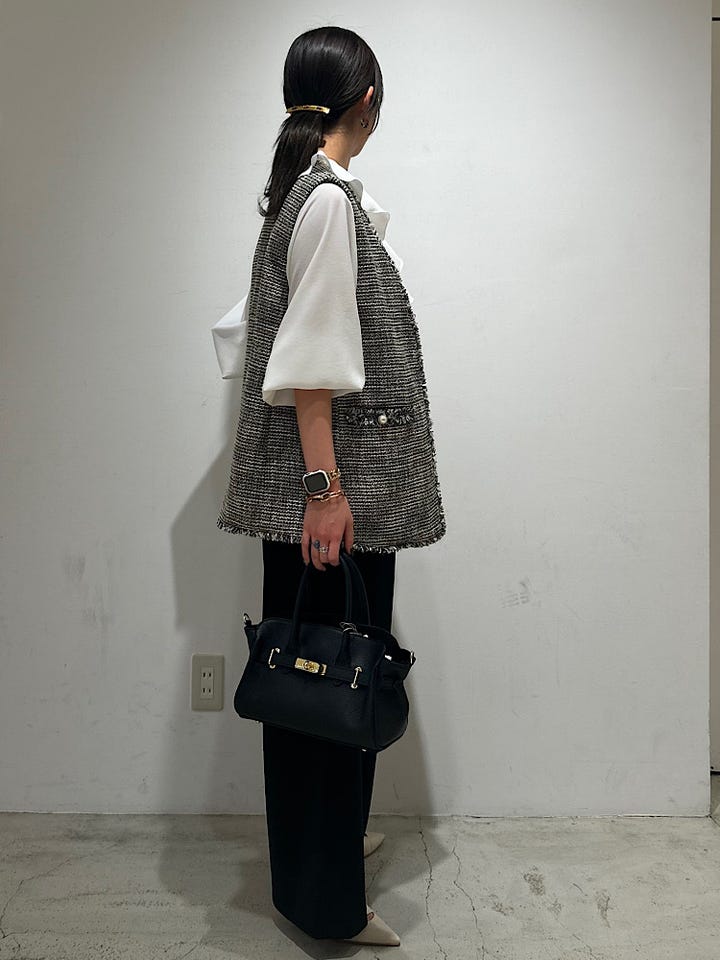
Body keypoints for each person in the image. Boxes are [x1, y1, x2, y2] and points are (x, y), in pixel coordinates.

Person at [215, 25, 446, 946]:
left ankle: (334, 842)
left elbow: (246, 330)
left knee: (333, 670)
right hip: (331, 498)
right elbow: (307, 364)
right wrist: (323, 489)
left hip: (338, 491)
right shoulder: (322, 203)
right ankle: (324, 903)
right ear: (369, 101)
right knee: (322, 682)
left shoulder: (306, 195)